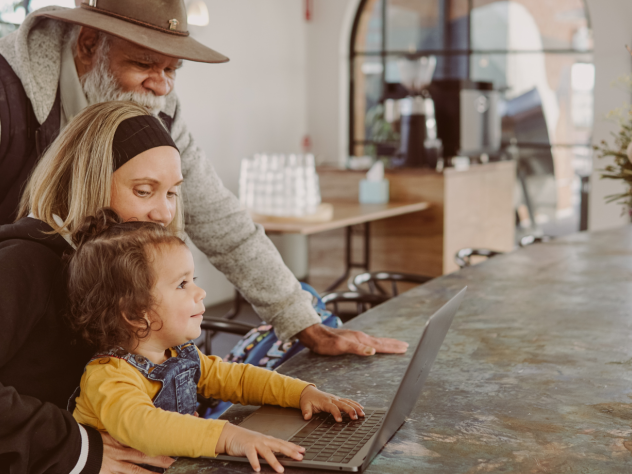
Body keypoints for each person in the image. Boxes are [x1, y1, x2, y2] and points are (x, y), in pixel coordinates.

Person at [0, 0, 407, 360]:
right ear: (89, 45)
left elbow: (224, 224)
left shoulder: (156, 108)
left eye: (171, 69)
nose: (160, 86)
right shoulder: (7, 93)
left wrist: (303, 322)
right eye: (143, 63)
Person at [66, 208, 365, 474]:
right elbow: (145, 427)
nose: (200, 292)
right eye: (182, 284)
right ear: (134, 312)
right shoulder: (107, 376)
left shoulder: (178, 354)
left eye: (193, 280)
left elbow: (237, 378)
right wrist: (229, 436)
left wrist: (301, 393)